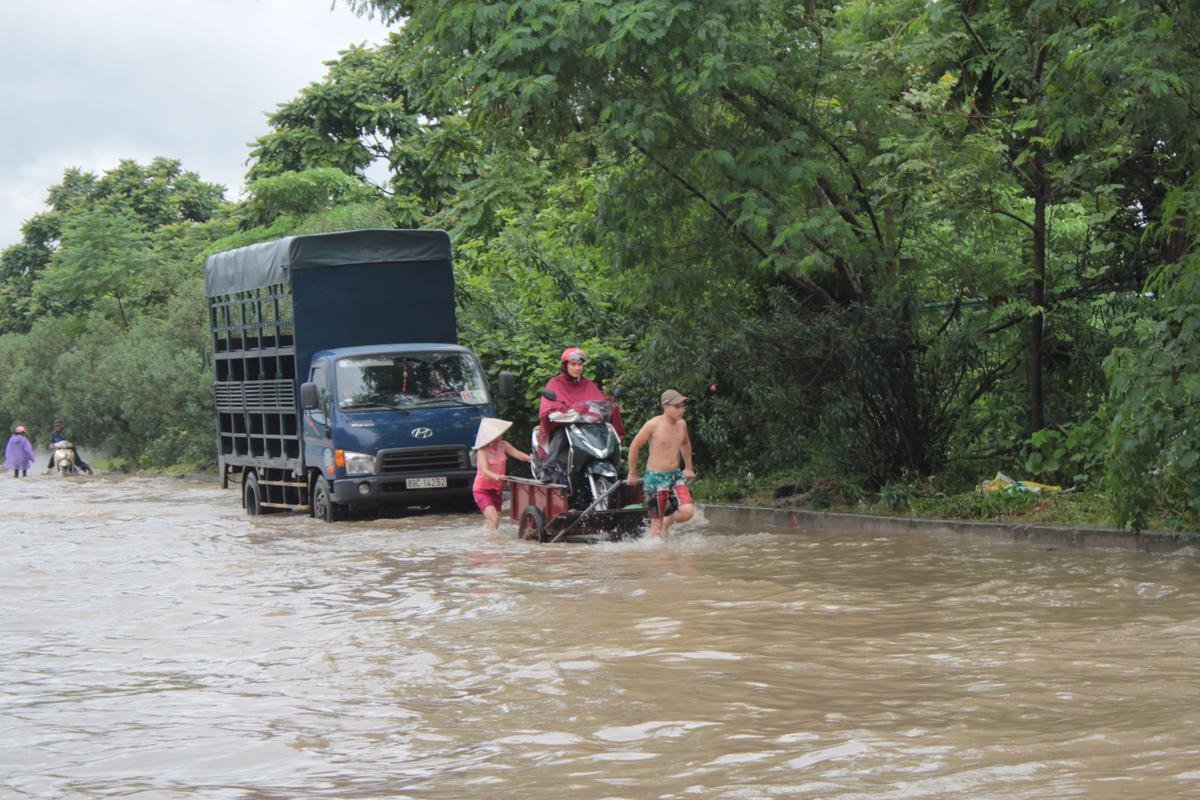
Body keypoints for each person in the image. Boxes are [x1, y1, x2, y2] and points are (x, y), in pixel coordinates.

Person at [536, 347, 624, 481]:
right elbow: (549, 405)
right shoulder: (555, 383)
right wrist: (562, 410)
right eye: (573, 364)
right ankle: (547, 468)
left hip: (587, 425)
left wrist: (609, 404)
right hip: (566, 424)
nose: (577, 368)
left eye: (580, 365)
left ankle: (616, 463)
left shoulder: (587, 383)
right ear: (565, 366)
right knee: (562, 433)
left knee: (605, 431)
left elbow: (598, 401)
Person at [626, 389, 696, 538]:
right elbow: (634, 446)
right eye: (677, 407)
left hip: (675, 476)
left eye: (682, 406)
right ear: (666, 407)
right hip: (655, 478)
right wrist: (632, 473)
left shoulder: (682, 424)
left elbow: (686, 443)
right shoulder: (653, 425)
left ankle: (668, 522)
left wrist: (688, 467)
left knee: (688, 511)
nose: (681, 410)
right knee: (656, 524)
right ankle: (658, 557)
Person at [473, 417, 532, 530]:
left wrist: (529, 459)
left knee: (493, 522)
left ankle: (484, 542)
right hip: (482, 489)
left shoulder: (503, 445)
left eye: (499, 434)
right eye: (494, 435)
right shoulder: (482, 450)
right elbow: (484, 470)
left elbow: (516, 453)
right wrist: (497, 476)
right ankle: (493, 544)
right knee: (494, 518)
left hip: (497, 489)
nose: (498, 437)